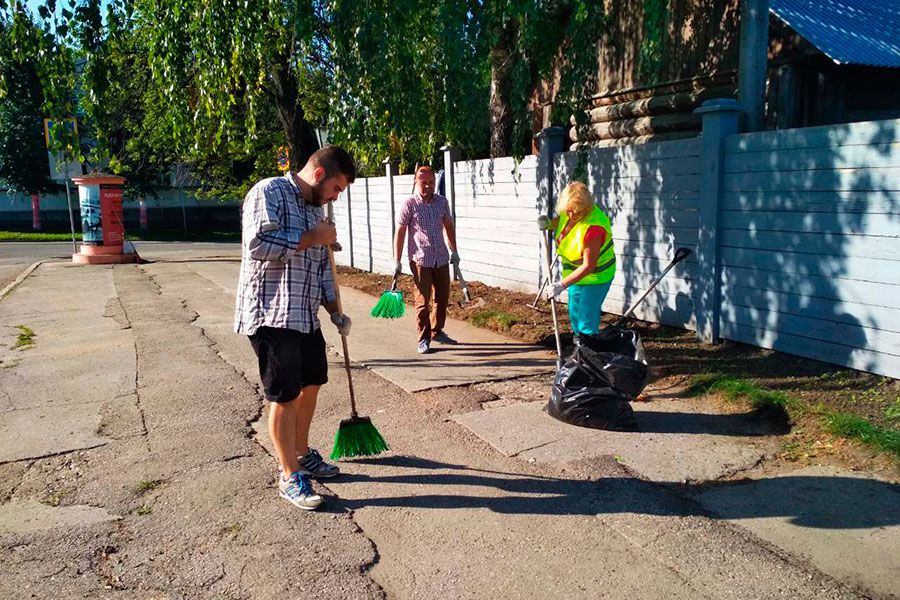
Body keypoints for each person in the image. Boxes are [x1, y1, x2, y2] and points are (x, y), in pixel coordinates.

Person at [234, 146, 356, 510]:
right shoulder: (268, 192)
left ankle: (301, 453)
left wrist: (336, 311)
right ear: (320, 175)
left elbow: (323, 270)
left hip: (304, 316)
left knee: (313, 383)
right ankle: (289, 474)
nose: (336, 197)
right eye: (337, 188)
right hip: (270, 314)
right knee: (285, 396)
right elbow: (257, 245)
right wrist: (310, 238)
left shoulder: (315, 212)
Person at [393, 166, 460, 354]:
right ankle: (423, 339)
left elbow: (448, 226)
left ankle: (437, 330)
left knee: (442, 298)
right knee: (423, 301)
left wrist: (454, 250)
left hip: (441, 258)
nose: (428, 186)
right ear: (416, 182)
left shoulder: (441, 202)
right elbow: (400, 232)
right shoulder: (409, 204)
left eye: (431, 182)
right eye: (424, 183)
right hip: (420, 259)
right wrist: (396, 260)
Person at [538, 181, 615, 337]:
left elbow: (588, 266)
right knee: (574, 315)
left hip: (596, 277)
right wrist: (549, 224)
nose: (571, 215)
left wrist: (561, 284)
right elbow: (562, 223)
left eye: (576, 212)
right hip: (575, 276)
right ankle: (579, 349)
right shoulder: (569, 212)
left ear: (586, 208)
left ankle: (589, 355)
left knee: (586, 319)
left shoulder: (593, 227)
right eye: (568, 211)